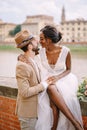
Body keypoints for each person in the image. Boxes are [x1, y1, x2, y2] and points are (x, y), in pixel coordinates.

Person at [35, 25, 84, 130]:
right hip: (47, 79)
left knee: (51, 88)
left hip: (64, 78)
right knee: (50, 88)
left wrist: (57, 77)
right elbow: (27, 51)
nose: (40, 41)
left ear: (49, 40)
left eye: (42, 39)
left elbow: (69, 69)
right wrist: (21, 57)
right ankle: (70, 124)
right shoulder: (40, 51)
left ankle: (72, 123)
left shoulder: (66, 51)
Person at [14, 30, 55, 130]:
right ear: (30, 46)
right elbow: (24, 92)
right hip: (28, 115)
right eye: (35, 41)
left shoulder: (33, 60)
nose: (38, 42)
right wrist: (44, 85)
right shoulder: (22, 66)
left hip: (37, 112)